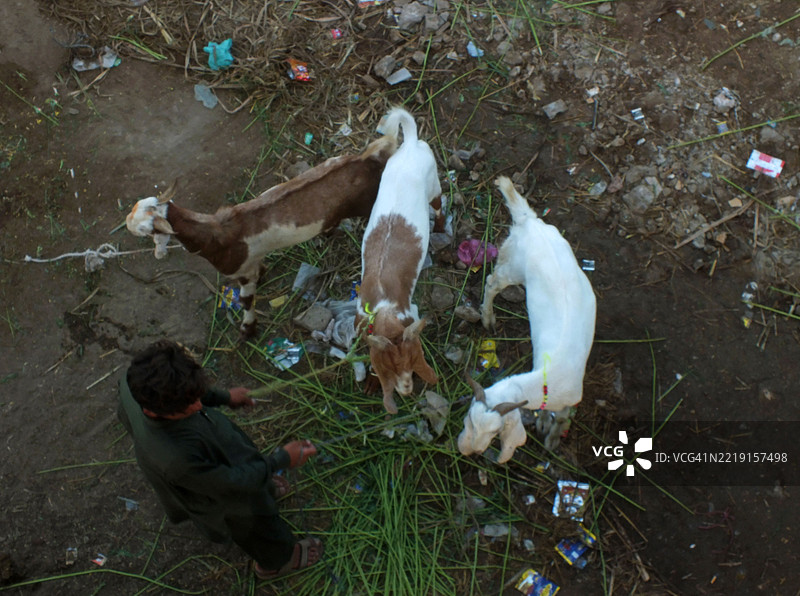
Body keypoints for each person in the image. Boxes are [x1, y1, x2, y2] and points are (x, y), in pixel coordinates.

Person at [117, 339, 323, 579]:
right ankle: (278, 561)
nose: (198, 406)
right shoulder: (176, 461)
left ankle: (263, 484)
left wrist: (223, 397)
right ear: (152, 411)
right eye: (187, 406)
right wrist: (280, 461)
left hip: (213, 451)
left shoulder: (140, 382)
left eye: (197, 396)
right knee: (249, 519)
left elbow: (187, 392)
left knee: (251, 477)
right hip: (221, 491)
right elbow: (231, 484)